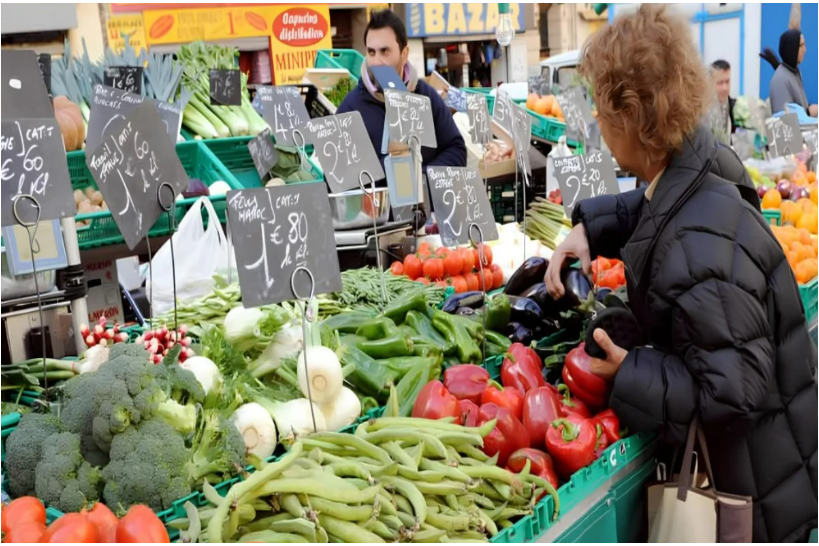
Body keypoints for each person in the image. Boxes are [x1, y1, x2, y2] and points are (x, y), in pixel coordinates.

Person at [545, 5, 817, 542]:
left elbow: (731, 395)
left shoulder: (691, 246)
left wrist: (631, 373)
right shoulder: (705, 161)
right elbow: (660, 207)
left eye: (602, 107)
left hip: (755, 504)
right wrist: (591, 228)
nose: (597, 122)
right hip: (781, 465)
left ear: (633, 115)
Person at [336, 10, 466, 171]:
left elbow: (456, 149)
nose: (377, 61)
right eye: (371, 52)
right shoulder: (349, 110)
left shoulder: (426, 96)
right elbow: (338, 177)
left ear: (404, 54)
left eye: (385, 51)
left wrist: (422, 178)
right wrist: (389, 173)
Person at [766, 29, 818, 116]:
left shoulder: (795, 72)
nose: (805, 50)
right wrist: (808, 113)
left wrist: (809, 110)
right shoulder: (779, 80)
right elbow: (785, 122)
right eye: (801, 45)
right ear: (792, 49)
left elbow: (799, 106)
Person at [705, 59, 736, 144]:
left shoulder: (730, 104)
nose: (725, 88)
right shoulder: (704, 111)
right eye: (720, 83)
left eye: (727, 82)